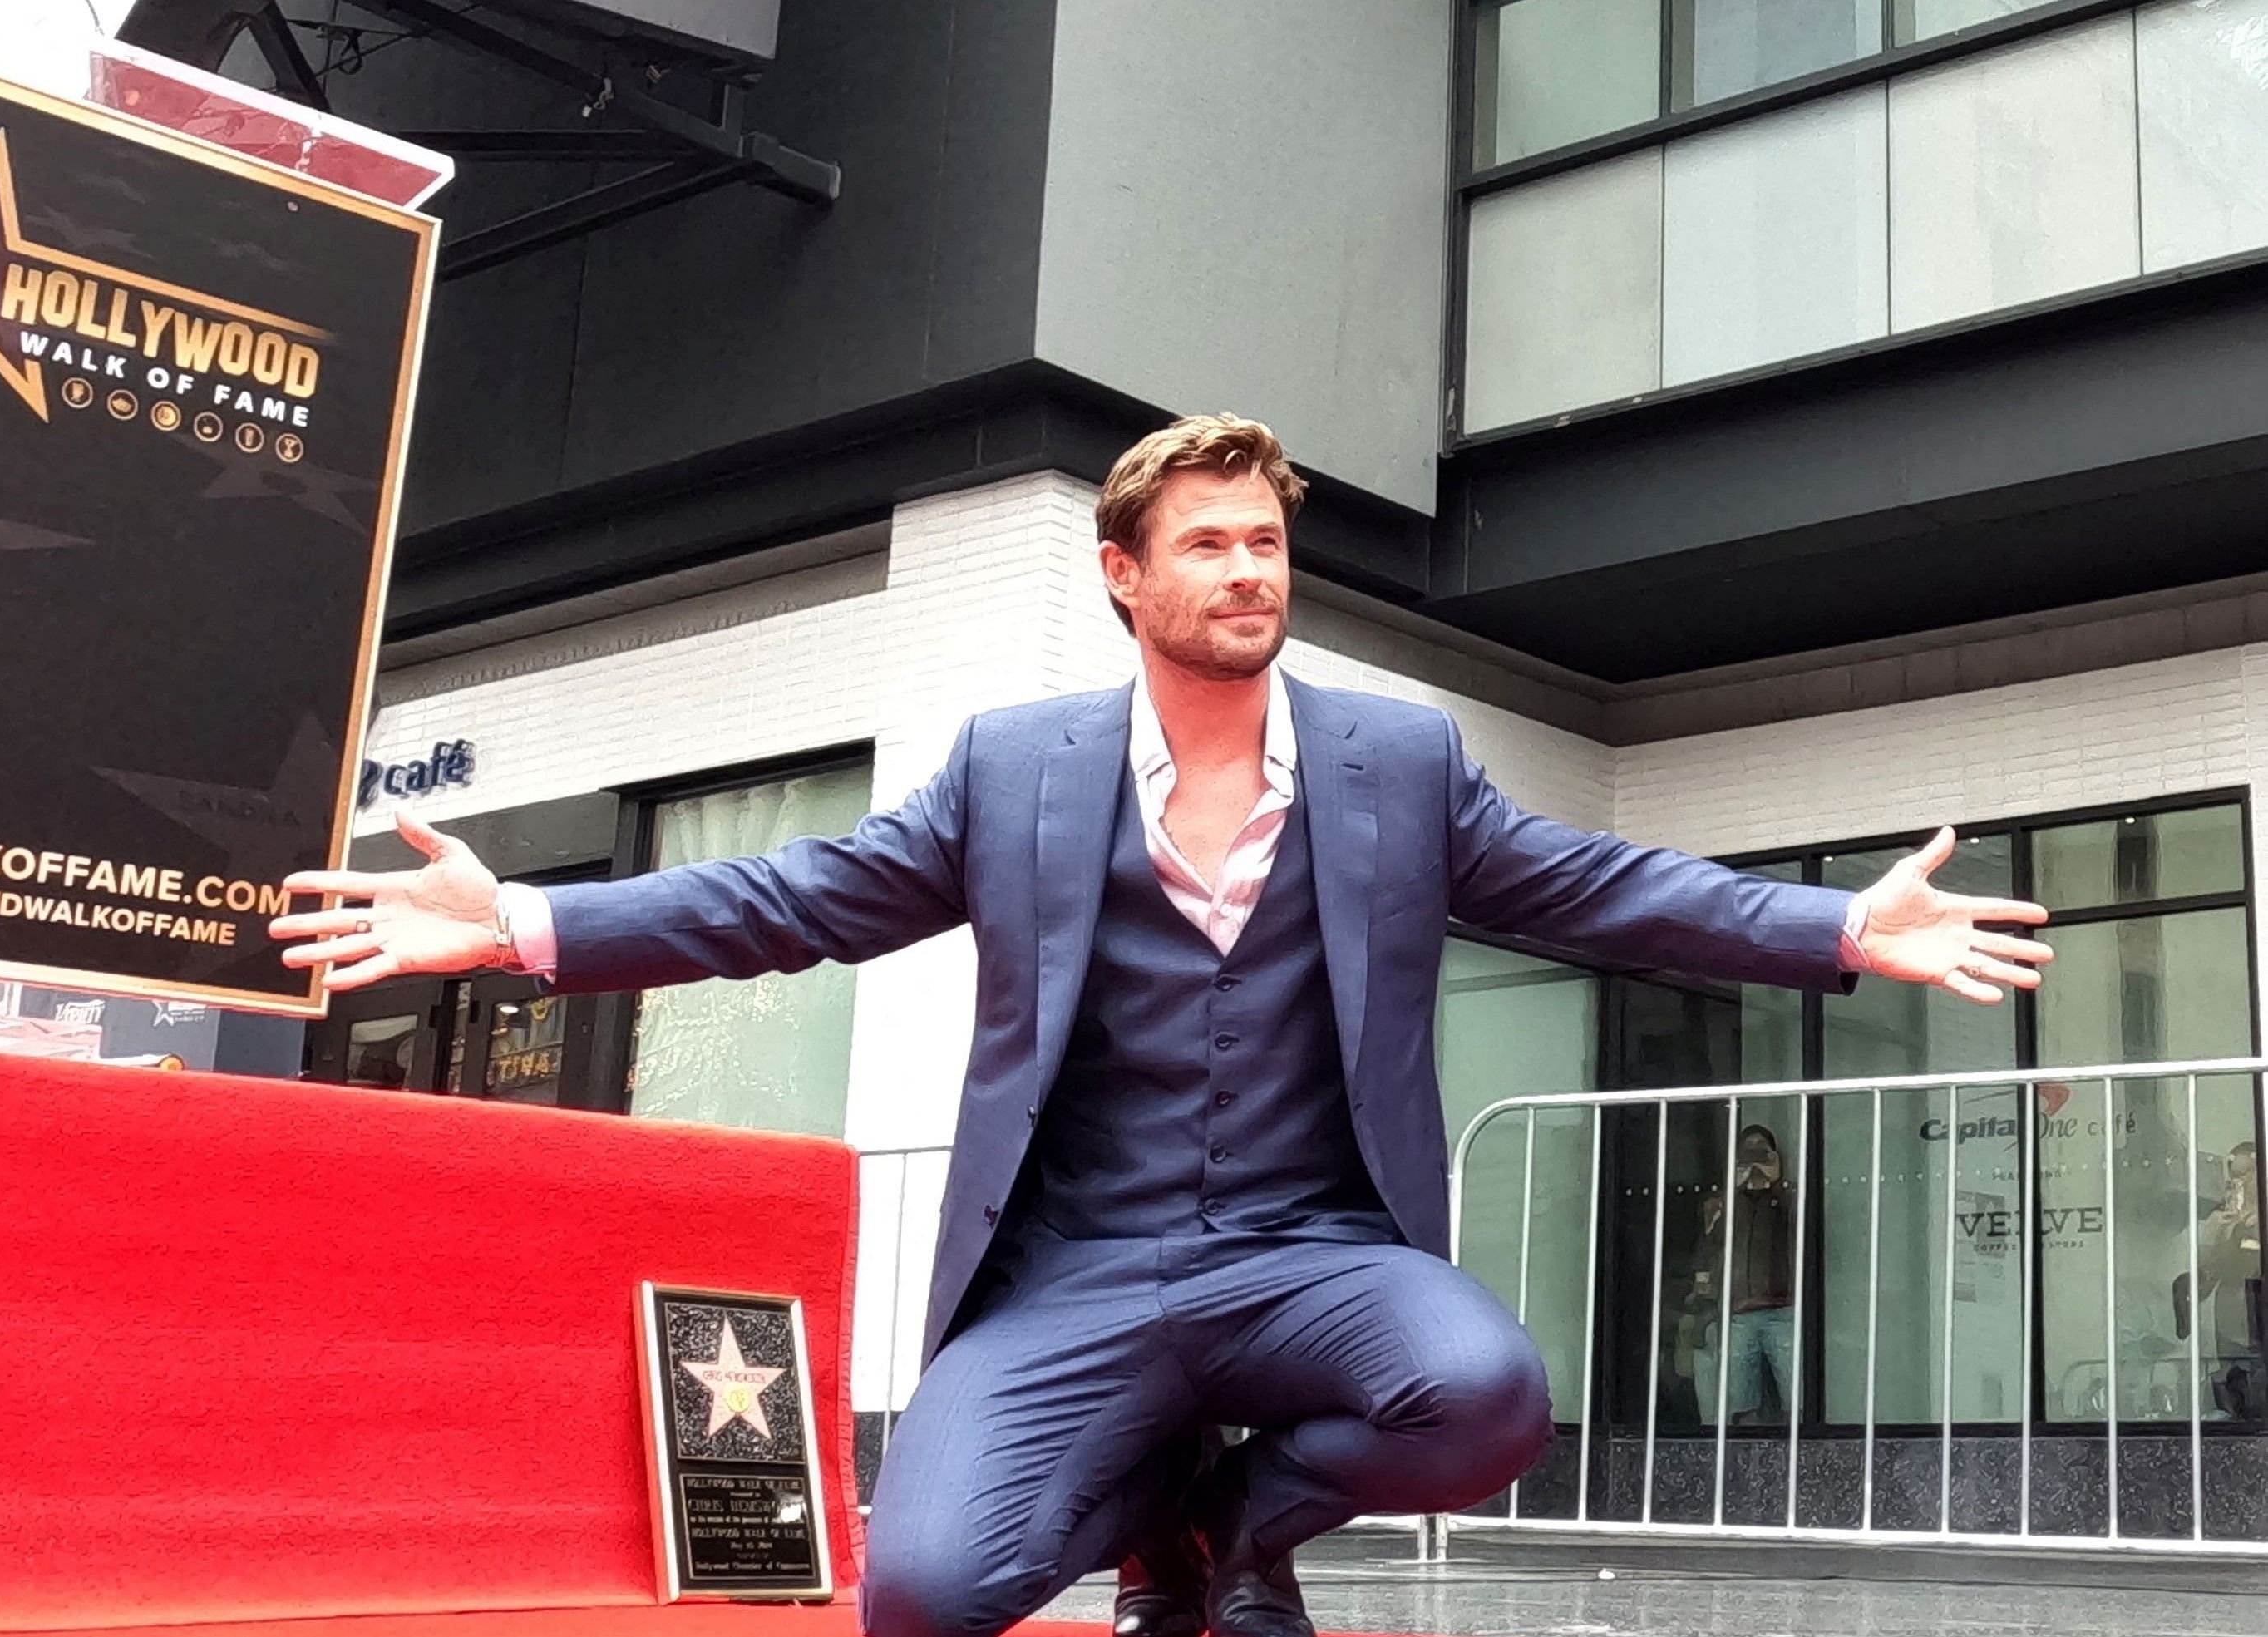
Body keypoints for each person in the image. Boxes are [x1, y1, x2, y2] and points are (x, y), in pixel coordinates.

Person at [272, 415, 2054, 1637]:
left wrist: (1833, 924)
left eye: (1265, 540)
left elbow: (1592, 889)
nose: (1245, 568)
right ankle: (1154, 1510)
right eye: (1203, 541)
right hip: (1078, 1271)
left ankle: (1232, 1526)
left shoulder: (1398, 766)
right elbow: (789, 896)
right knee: (922, 1596)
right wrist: (517, 922)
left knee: (1486, 1391)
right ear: (1124, 575)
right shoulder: (1011, 769)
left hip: (1310, 1254)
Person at [1693, 1124, 1797, 1424]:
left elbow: (1803, 1234)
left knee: (1797, 1398)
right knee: (1740, 1404)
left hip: (1784, 1309)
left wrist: (1776, 1185)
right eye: (1745, 1155)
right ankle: (1745, 1453)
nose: (1753, 1162)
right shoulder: (1722, 1203)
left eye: (1762, 1153)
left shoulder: (1788, 1199)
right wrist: (1732, 1192)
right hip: (1738, 1311)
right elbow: (1708, 1250)